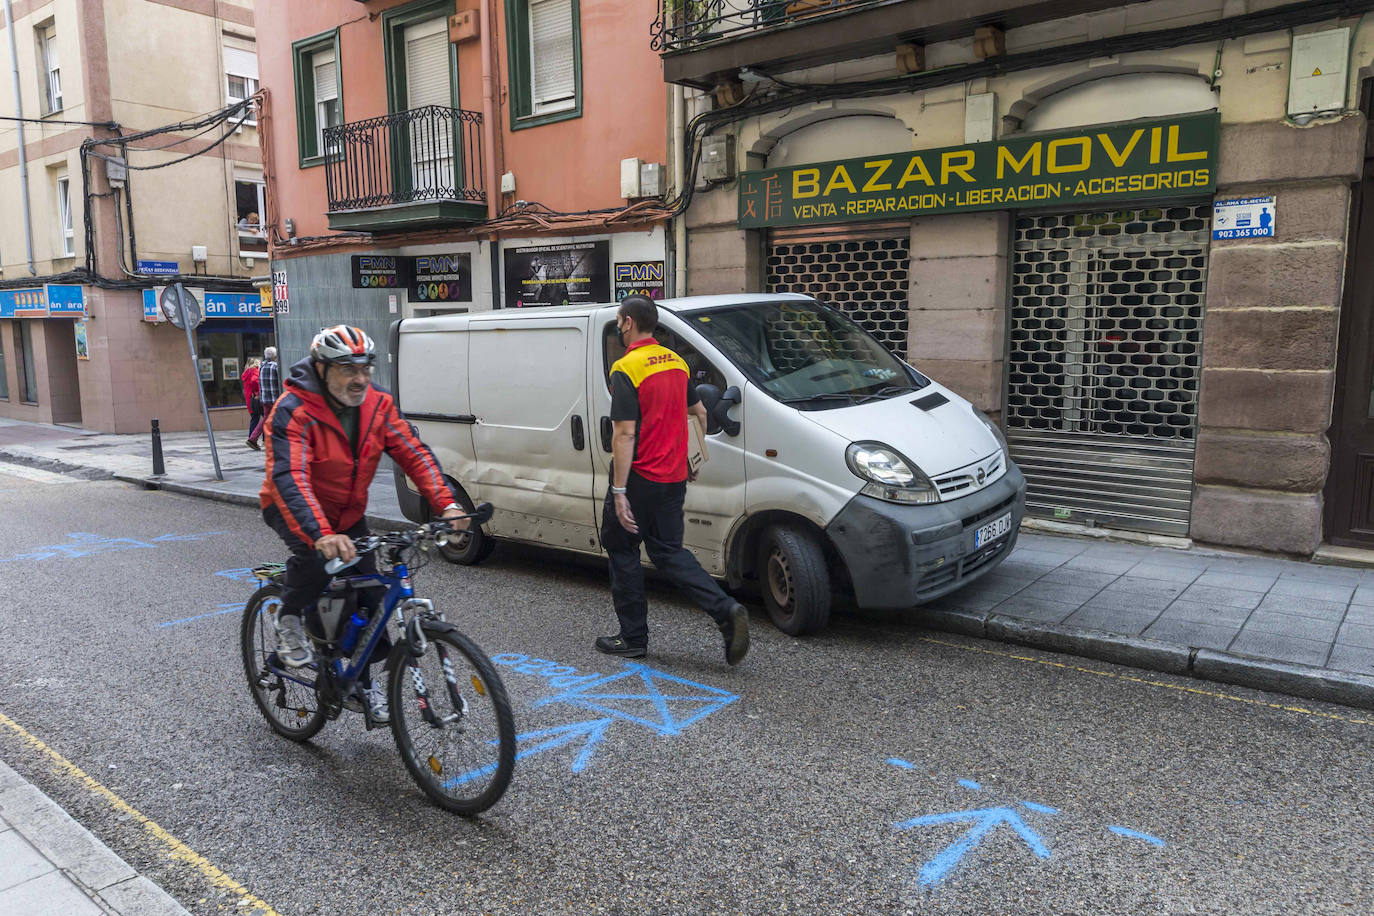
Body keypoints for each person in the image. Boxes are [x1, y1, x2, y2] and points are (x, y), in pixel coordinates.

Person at [259, 325, 467, 721]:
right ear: (321, 369)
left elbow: (413, 453)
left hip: (348, 515)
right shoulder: (293, 410)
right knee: (316, 562)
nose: (359, 378)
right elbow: (291, 478)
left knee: (372, 600)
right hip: (292, 507)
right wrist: (321, 534)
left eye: (365, 368)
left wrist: (447, 504)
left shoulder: (377, 406)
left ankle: (360, 686)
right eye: (347, 369)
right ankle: (288, 617)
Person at [598, 295, 749, 665]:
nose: (619, 326)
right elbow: (698, 413)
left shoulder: (627, 367)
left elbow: (624, 434)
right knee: (668, 551)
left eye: (620, 320)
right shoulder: (676, 361)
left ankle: (633, 637)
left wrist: (619, 492)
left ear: (629, 323)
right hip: (673, 477)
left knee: (621, 547)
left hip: (640, 477)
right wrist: (692, 458)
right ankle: (724, 609)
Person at [250, 346, 281, 448]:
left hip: (264, 399)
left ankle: (255, 439)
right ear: (275, 356)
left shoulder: (262, 366)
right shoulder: (275, 367)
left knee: (267, 419)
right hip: (274, 399)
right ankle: (258, 438)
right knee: (276, 419)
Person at [241, 357, 263, 450]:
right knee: (266, 417)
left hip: (249, 399)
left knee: (255, 418)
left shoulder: (247, 372)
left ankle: (252, 438)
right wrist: (258, 393)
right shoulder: (254, 370)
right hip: (255, 398)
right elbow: (255, 380)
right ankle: (259, 439)